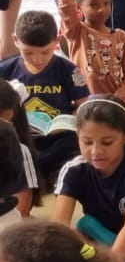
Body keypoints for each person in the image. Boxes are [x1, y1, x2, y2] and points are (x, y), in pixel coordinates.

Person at [50, 97, 125, 262]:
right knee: (72, 237)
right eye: (87, 142)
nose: (96, 151)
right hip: (99, 234)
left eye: (107, 142)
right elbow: (59, 225)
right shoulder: (73, 169)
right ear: (77, 136)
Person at [0, 10, 89, 181]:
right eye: (29, 53)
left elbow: (83, 105)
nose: (37, 59)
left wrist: (70, 122)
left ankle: (57, 175)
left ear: (56, 41)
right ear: (15, 40)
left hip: (58, 138)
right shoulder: (5, 70)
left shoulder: (69, 70)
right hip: (20, 138)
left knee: (74, 149)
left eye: (45, 52)